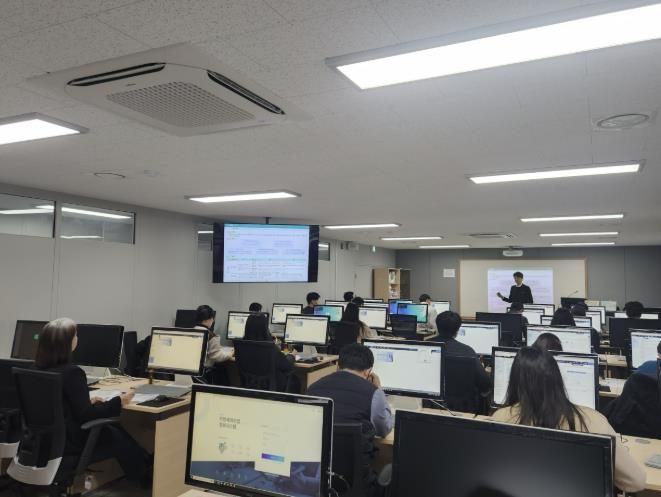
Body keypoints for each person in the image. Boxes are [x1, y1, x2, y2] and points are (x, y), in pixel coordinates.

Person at [492, 347, 645, 493]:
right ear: (557, 379)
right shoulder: (593, 421)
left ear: (515, 383)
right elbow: (636, 481)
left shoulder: (499, 419)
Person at [35, 318, 151, 485]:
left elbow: (60, 403)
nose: (78, 339)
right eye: (75, 336)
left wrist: (89, 401)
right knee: (112, 432)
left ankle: (144, 464)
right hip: (69, 443)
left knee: (113, 428)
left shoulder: (36, 369)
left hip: (43, 441)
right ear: (67, 343)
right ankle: (143, 475)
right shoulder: (73, 373)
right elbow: (86, 415)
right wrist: (119, 401)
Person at [307, 343, 393, 465]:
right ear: (368, 371)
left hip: (317, 467)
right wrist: (378, 389)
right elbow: (384, 429)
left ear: (338, 365)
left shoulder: (313, 388)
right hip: (354, 471)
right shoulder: (373, 392)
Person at [430, 312, 490, 395]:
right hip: (462, 402)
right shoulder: (468, 351)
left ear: (437, 326)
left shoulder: (425, 346)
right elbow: (485, 386)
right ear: (457, 330)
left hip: (430, 399)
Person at [243, 314, 297, 392]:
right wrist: (292, 355)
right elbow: (287, 366)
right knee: (295, 380)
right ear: (265, 329)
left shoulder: (241, 345)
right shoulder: (269, 347)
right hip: (271, 389)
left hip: (248, 388)